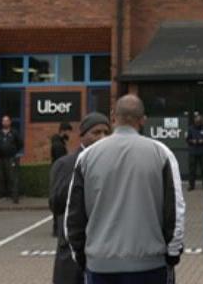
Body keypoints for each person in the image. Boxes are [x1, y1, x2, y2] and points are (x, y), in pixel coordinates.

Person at [65, 96, 184, 283]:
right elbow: (175, 211)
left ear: (113, 117)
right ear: (143, 120)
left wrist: (81, 257)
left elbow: (74, 216)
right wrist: (172, 254)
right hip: (150, 265)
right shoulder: (162, 153)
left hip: (100, 266)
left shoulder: (87, 157)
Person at [49, 112, 111, 284]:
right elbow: (56, 203)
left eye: (106, 133)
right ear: (82, 136)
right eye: (96, 132)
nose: (102, 137)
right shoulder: (66, 164)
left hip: (104, 252)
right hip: (72, 253)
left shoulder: (113, 164)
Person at [0, 115, 23, 204]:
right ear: (2, 123)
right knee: (1, 178)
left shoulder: (14, 133)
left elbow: (20, 144)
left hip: (11, 158)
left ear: (10, 122)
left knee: (13, 177)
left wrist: (13, 152)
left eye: (7, 121)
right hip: (0, 159)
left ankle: (14, 197)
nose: (5, 122)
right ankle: (2, 196)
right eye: (3, 121)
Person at [185, 112, 203, 191]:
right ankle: (191, 185)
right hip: (193, 151)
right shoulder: (190, 128)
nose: (198, 122)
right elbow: (187, 139)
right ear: (194, 121)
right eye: (197, 121)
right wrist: (192, 141)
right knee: (192, 169)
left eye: (199, 121)